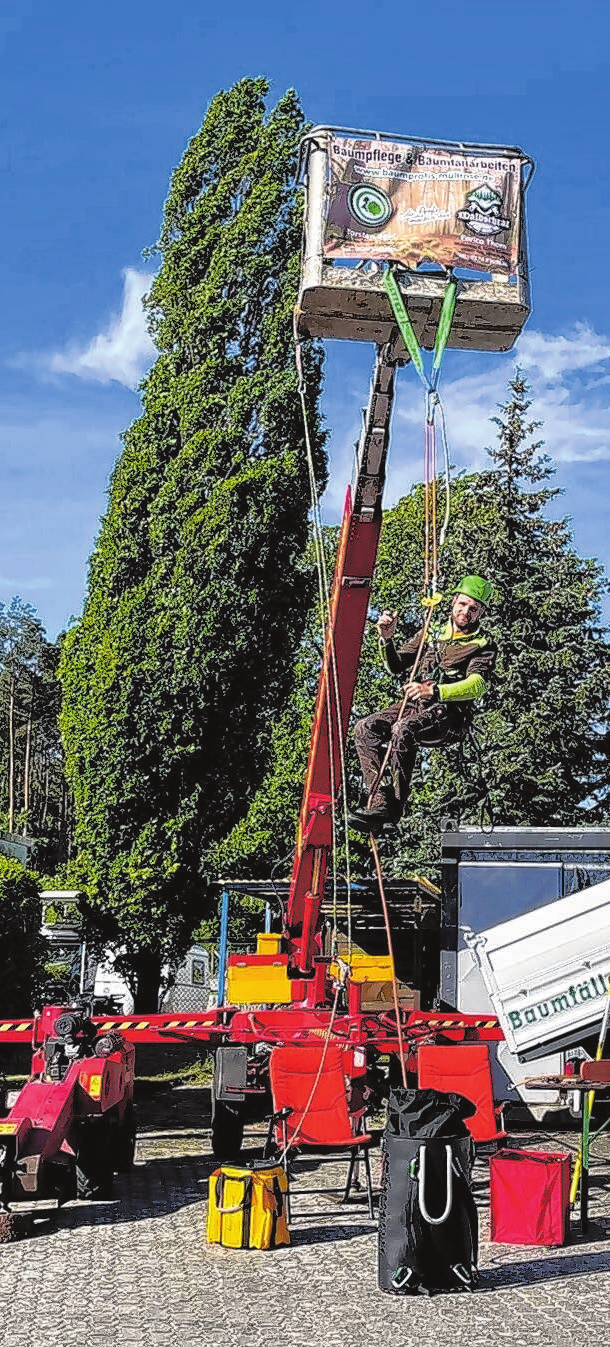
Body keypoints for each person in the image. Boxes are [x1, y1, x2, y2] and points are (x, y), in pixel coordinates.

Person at [349, 575, 496, 831]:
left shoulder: (482, 644)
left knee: (402, 729)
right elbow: (396, 665)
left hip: (448, 716)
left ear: (481, 612)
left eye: (473, 609)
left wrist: (435, 691)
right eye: (462, 605)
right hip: (416, 707)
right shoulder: (432, 631)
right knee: (365, 727)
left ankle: (393, 808)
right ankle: (379, 797)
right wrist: (386, 639)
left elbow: (477, 685)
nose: (466, 612)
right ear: (453, 602)